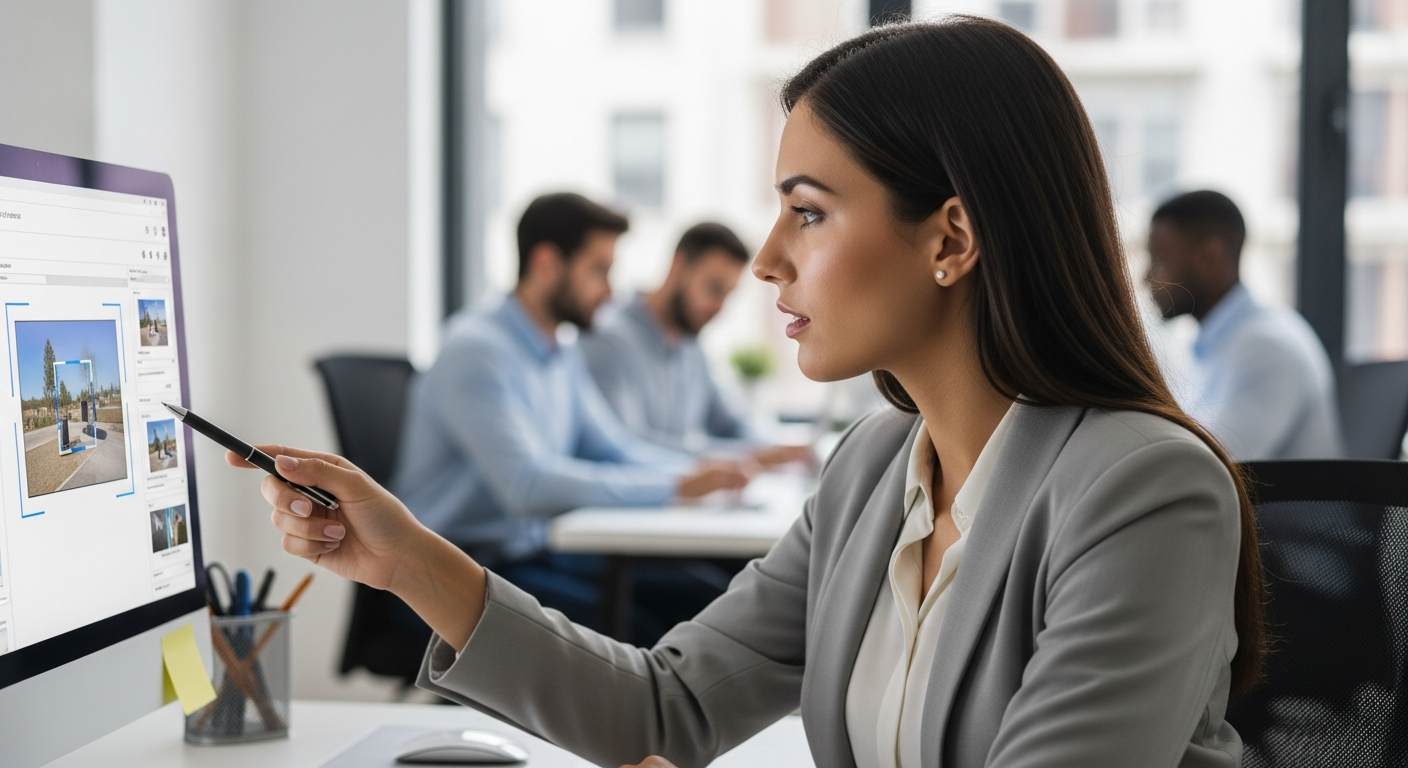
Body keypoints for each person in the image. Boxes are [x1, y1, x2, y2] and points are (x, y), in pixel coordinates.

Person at [243, 18, 1263, 768]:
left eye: (808, 213)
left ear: (951, 238)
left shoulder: (1143, 492)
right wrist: (408, 558)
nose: (769, 260)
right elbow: (669, 706)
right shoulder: (873, 469)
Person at [391, 192, 753, 631]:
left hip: (530, 553)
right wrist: (676, 484)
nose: (610, 290)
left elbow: (614, 448)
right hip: (455, 574)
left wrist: (706, 470)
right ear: (546, 263)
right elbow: (527, 486)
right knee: (644, 629)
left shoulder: (558, 352)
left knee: (703, 595)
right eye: (598, 271)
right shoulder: (477, 351)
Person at [581, 221, 812, 465]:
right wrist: (745, 457)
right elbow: (628, 447)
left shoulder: (691, 346)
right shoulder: (606, 338)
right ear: (679, 266)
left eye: (728, 294)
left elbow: (730, 422)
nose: (719, 307)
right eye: (714, 289)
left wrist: (779, 451)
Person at [1147, 190, 1343, 460]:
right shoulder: (1218, 344)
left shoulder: (1267, 348)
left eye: (1158, 261)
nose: (1146, 278)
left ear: (1210, 257)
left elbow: (1206, 465)